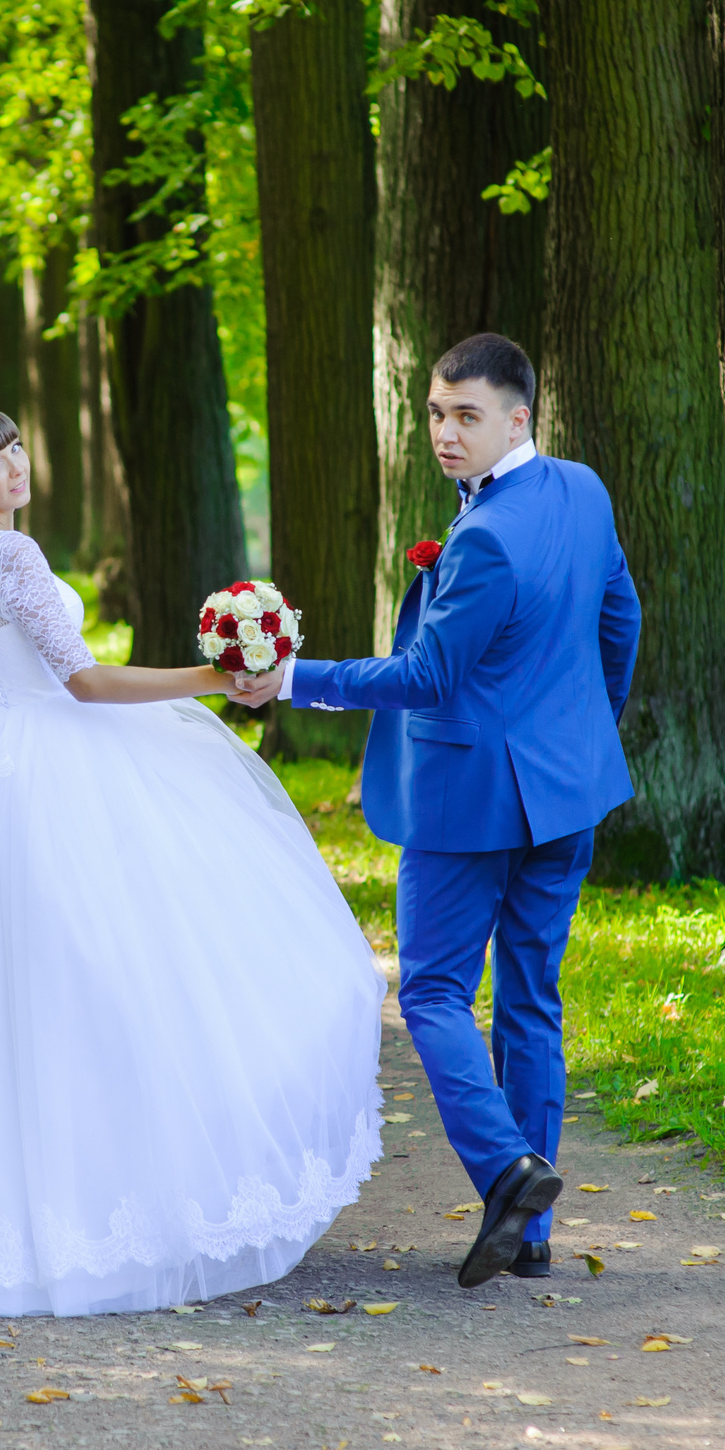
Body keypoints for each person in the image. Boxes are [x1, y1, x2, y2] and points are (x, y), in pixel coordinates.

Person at [0, 401, 387, 1318]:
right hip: (47, 772)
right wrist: (217, 680)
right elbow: (85, 681)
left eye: (17, 447)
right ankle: (105, 1208)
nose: (15, 466)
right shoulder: (8, 554)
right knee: (113, 985)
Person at [231, 334, 640, 1288]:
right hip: (570, 791)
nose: (446, 433)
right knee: (532, 997)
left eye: (467, 416)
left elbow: (426, 676)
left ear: (518, 418)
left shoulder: (487, 535)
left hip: (469, 801)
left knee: (431, 991)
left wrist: (290, 679)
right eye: (435, 413)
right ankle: (532, 1237)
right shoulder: (583, 491)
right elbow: (620, 619)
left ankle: (509, 1171)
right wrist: (584, 731)